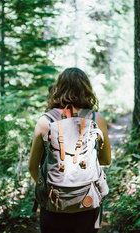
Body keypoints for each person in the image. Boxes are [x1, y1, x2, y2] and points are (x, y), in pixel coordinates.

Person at [28, 67, 111, 233]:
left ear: (58, 89)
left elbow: (32, 166)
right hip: (87, 200)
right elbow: (105, 160)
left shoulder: (45, 121)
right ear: (86, 89)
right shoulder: (96, 119)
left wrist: (49, 188)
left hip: (54, 202)